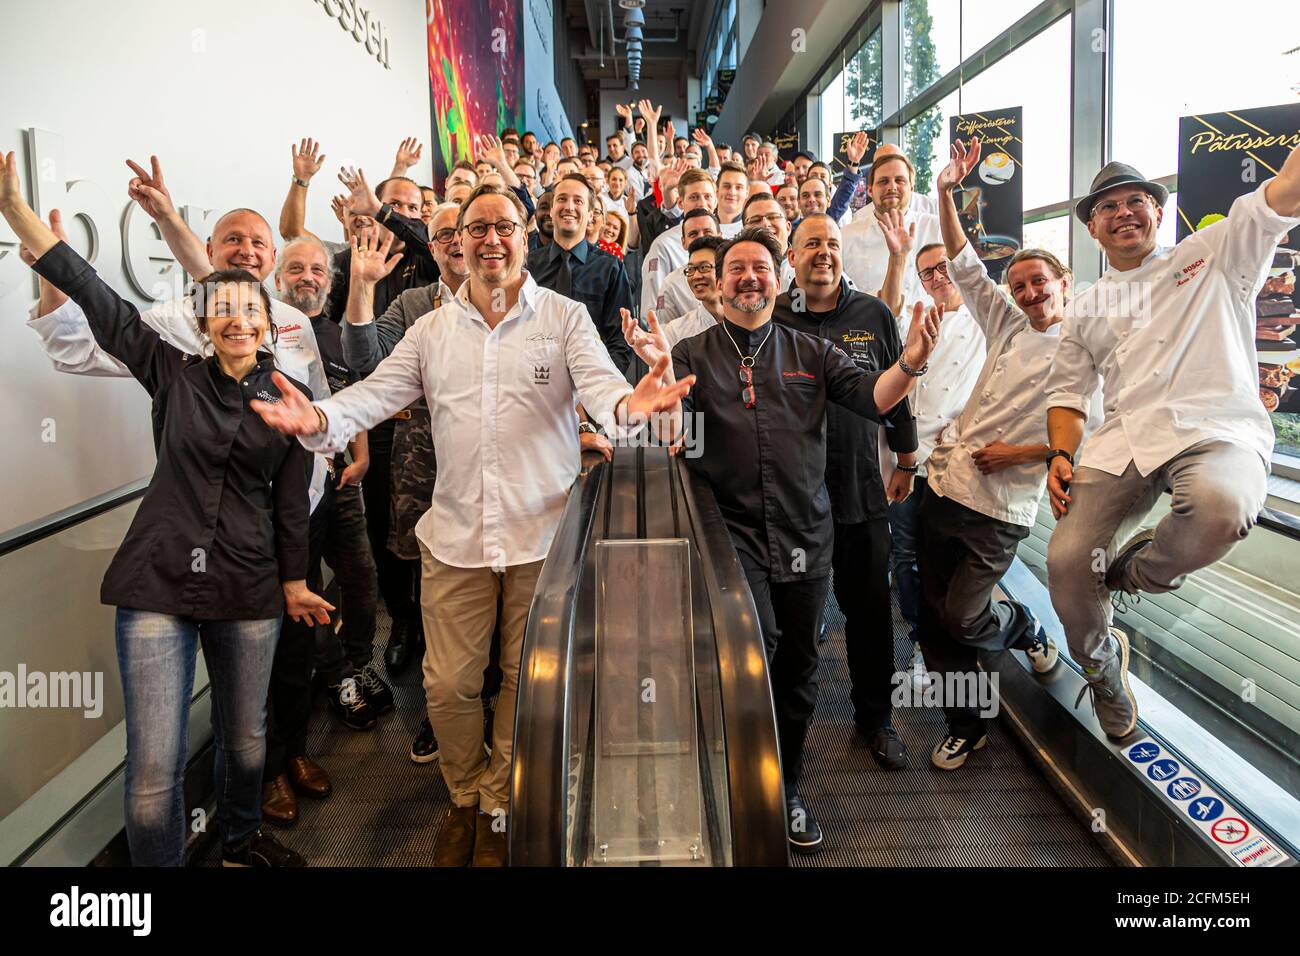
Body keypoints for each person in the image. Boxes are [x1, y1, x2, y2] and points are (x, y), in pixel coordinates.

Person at [253, 184, 694, 867]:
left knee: (525, 681)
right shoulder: (432, 331)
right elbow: (375, 393)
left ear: (527, 237)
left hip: (541, 542)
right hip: (455, 541)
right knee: (448, 686)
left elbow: (607, 393)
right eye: (476, 227)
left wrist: (633, 405)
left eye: (505, 227)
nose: (491, 239)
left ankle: (495, 804)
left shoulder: (566, 319)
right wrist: (320, 418)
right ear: (457, 242)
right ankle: (462, 792)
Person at [2, 150, 331, 867]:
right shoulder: (166, 368)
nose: (239, 317)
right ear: (205, 319)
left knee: (246, 741)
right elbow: (94, 295)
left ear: (271, 326)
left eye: (252, 308)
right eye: (225, 306)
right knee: (153, 769)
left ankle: (239, 845)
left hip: (248, 585)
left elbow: (289, 504)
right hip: (156, 583)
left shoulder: (290, 402)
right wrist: (16, 212)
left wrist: (296, 579)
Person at [625, 227, 943, 855]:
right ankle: (733, 770)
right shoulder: (690, 353)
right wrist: (658, 402)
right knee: (755, 644)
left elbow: (875, 398)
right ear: (717, 283)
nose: (748, 277)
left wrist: (908, 363)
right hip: (727, 535)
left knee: (798, 667)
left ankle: (785, 785)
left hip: (806, 535)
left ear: (779, 278)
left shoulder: (811, 351)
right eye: (735, 268)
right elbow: (672, 434)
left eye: (760, 268)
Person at [1044, 142, 1300, 740]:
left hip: (1215, 428)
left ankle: (1136, 575)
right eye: (1108, 206)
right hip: (1122, 442)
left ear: (1159, 212)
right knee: (1064, 562)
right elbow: (1066, 393)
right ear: (1092, 226)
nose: (1124, 212)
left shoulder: (1212, 253)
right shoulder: (1086, 306)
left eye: (1137, 200)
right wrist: (1060, 453)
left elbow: (1284, 192)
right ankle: (1105, 674)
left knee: (1223, 508)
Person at [916, 138, 1096, 767]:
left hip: (1000, 506)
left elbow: (1083, 437)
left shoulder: (1087, 346)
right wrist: (944, 194)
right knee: (930, 617)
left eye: (1038, 281)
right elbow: (965, 263)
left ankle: (1022, 627)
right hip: (943, 486)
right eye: (1018, 283)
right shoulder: (1007, 323)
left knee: (964, 617)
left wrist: (1018, 451)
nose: (1026, 292)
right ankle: (965, 724)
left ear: (1063, 283)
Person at [773, 214, 918, 769]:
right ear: (792, 256)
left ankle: (875, 718)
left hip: (860, 488)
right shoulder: (775, 315)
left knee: (869, 610)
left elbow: (898, 387)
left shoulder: (873, 313)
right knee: (794, 618)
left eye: (831, 244)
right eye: (811, 244)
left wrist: (906, 457)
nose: (824, 253)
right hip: (793, 495)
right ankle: (788, 729)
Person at [261, 236, 385, 828]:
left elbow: (350, 399)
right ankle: (264, 774)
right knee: (259, 647)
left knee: (324, 606)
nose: (307, 277)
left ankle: (300, 741)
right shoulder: (239, 335)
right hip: (250, 520)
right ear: (272, 276)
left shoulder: (325, 335)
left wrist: (352, 451)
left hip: (316, 500)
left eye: (317, 269)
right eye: (295, 267)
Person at [341, 201, 465, 764]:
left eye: (465, 231)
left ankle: (485, 704)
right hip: (423, 455)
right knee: (421, 568)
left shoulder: (527, 302)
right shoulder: (414, 302)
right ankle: (437, 701)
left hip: (494, 468)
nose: (458, 242)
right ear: (432, 247)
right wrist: (364, 289)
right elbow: (363, 357)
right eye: (443, 236)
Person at [885, 237, 988, 676]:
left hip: (956, 462)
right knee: (904, 555)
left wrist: (966, 424)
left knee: (955, 559)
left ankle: (967, 639)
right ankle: (919, 639)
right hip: (908, 458)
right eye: (928, 272)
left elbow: (998, 388)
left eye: (944, 267)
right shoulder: (914, 319)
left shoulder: (988, 321)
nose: (937, 277)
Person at [527, 173, 634, 371]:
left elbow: (620, 341)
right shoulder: (528, 267)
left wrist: (597, 393)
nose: (569, 206)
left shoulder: (611, 268)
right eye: (562, 199)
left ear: (591, 214)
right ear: (551, 210)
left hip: (590, 383)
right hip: (533, 381)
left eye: (578, 201)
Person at [841, 150, 941, 314]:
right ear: (870, 190)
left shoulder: (935, 228)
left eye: (900, 180)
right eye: (883, 181)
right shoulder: (846, 236)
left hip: (930, 329)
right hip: (869, 331)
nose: (892, 187)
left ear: (912, 188)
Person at [640, 168, 717, 316]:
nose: (702, 203)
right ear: (680, 203)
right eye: (694, 197)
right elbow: (652, 309)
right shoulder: (663, 245)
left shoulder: (729, 241)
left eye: (707, 196)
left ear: (715, 200)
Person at [646, 209, 721, 322]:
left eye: (707, 232)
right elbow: (665, 332)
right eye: (693, 234)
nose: (701, 238)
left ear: (720, 236)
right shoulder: (671, 284)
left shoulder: (736, 274)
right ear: (683, 242)